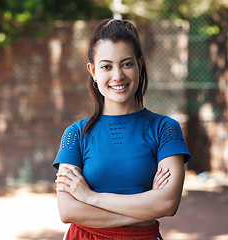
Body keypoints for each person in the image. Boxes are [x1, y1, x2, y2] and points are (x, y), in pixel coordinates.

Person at [53, 19, 191, 240]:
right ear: (93, 71)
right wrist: (145, 211)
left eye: (126, 64)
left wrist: (90, 197)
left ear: (140, 64)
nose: (118, 76)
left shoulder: (165, 129)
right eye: (106, 66)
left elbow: (167, 203)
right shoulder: (75, 134)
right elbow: (68, 211)